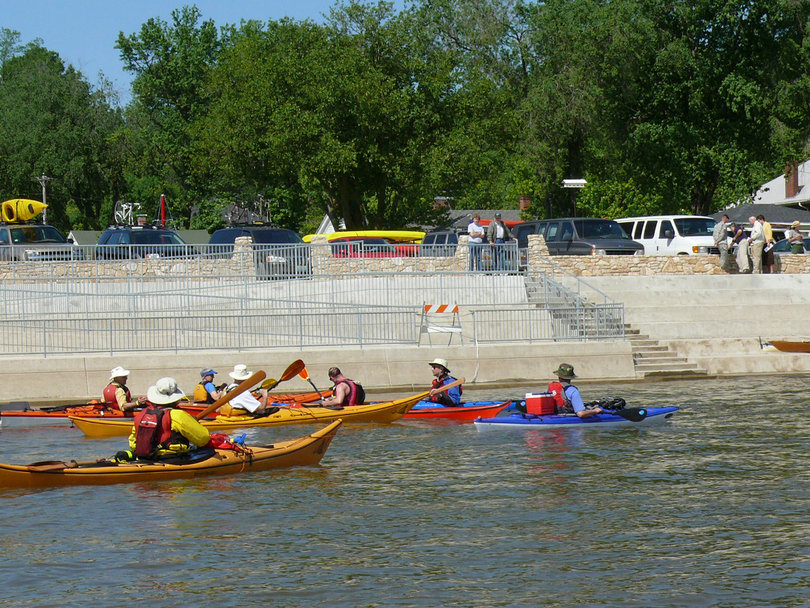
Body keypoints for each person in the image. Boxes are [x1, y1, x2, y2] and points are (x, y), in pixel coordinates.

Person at [127, 377, 211, 460]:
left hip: (144, 457)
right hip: (171, 458)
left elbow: (132, 442)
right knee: (209, 451)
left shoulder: (141, 414)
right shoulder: (178, 415)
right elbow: (203, 439)